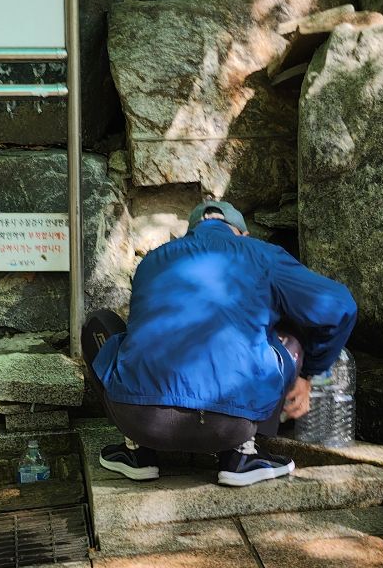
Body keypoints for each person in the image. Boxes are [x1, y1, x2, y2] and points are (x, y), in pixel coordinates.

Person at [83, 198, 357, 487]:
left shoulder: (152, 260)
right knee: (289, 334)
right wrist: (309, 373)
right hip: (230, 426)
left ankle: (137, 452)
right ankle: (241, 454)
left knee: (98, 325)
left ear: (190, 232)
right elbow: (342, 306)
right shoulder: (263, 254)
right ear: (242, 234)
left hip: (141, 421)